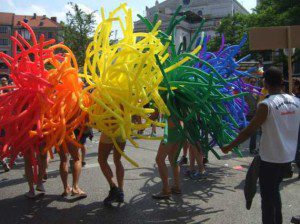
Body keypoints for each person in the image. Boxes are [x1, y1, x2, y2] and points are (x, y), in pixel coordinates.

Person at [221, 67, 300, 224]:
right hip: (287, 157)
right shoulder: (296, 102)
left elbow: (250, 129)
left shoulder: (266, 104)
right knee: (274, 193)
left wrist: (230, 146)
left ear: (265, 82)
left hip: (270, 159)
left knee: (268, 200)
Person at [152, 118, 182, 200]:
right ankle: (176, 187)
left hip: (171, 131)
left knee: (159, 159)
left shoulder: (169, 104)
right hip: (180, 130)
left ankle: (166, 190)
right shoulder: (181, 105)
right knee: (173, 159)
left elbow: (154, 115)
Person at [98, 133, 126, 205]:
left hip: (108, 127)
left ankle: (114, 189)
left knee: (102, 160)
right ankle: (120, 192)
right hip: (122, 128)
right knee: (117, 160)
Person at [245, 77, 259, 154]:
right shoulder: (245, 91)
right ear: (249, 82)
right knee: (241, 130)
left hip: (253, 114)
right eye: (251, 82)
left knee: (254, 132)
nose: (253, 83)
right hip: (245, 114)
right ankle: (235, 145)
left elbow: (257, 103)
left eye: (254, 82)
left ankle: (252, 148)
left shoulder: (256, 92)